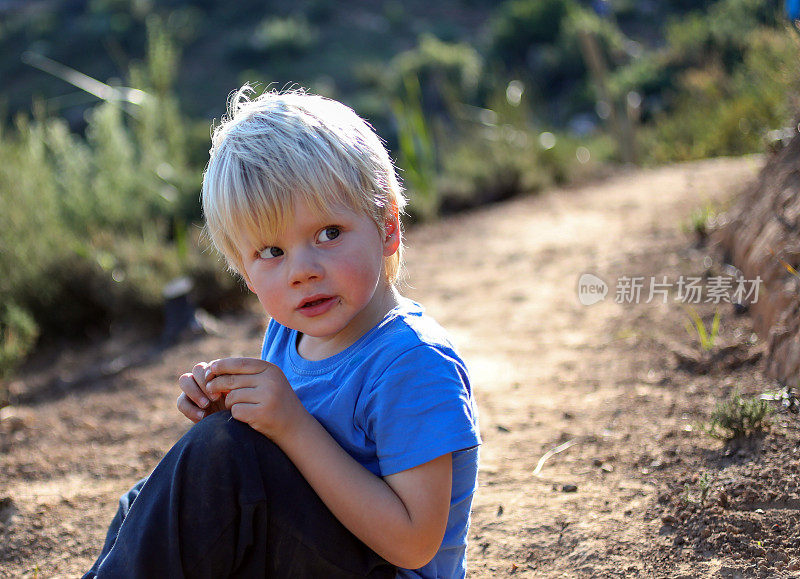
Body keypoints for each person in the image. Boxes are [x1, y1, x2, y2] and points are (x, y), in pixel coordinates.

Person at [83, 85, 481, 578]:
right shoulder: (286, 336)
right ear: (245, 274)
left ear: (388, 227)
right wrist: (238, 410)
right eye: (271, 252)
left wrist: (288, 427)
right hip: (312, 555)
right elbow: (280, 473)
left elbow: (415, 543)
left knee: (217, 461)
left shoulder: (411, 361)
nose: (302, 271)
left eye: (328, 234)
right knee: (148, 500)